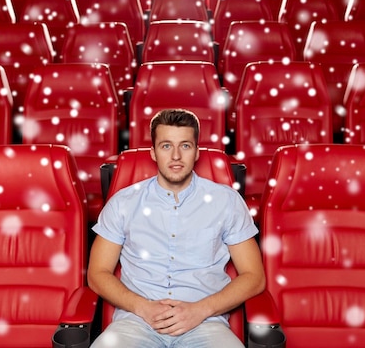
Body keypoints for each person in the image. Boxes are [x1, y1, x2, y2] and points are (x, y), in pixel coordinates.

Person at [87, 108, 265, 348]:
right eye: (166, 146)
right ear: (153, 152)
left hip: (205, 323)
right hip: (136, 323)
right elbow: (97, 274)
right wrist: (144, 308)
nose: (176, 156)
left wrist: (200, 310)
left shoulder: (227, 201)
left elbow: (254, 277)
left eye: (185, 146)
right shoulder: (123, 202)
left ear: (197, 152)